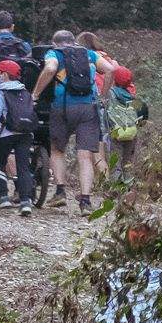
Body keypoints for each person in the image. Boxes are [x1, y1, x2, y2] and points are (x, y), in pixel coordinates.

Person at [33, 29, 102, 214]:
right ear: (73, 42)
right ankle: (86, 201)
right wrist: (103, 96)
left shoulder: (54, 53)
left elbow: (49, 68)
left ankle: (60, 192)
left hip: (62, 107)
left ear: (54, 43)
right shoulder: (88, 53)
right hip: (88, 108)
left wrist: (36, 93)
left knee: (57, 149)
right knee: (85, 155)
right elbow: (111, 69)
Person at [0, 59, 37, 213]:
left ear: (4, 74)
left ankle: (3, 197)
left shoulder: (0, 91)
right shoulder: (25, 91)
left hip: (6, 133)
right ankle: (26, 201)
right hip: (25, 133)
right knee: (23, 165)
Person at [105, 66, 149, 179]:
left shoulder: (111, 93)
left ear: (115, 79)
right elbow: (142, 117)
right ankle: (128, 188)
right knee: (127, 162)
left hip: (116, 132)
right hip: (131, 133)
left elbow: (106, 112)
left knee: (115, 161)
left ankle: (116, 188)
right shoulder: (132, 97)